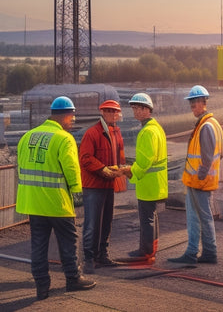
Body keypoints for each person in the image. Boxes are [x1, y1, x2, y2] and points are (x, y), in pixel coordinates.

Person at [16, 96, 96, 301]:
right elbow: (71, 169)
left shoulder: (27, 136)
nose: (73, 121)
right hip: (57, 203)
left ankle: (41, 286)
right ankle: (73, 279)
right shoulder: (63, 138)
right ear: (65, 116)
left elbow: (21, 167)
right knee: (68, 241)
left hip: (32, 203)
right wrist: (78, 196)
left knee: (38, 245)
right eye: (72, 117)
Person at [168, 85, 223, 265]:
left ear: (203, 102)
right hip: (197, 180)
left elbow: (207, 158)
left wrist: (200, 176)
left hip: (200, 181)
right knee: (197, 217)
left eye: (195, 102)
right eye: (191, 102)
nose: (192, 105)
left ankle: (205, 252)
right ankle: (197, 252)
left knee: (201, 217)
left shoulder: (206, 126)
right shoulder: (209, 124)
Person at [79, 99, 127, 274]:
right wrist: (102, 169)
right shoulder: (92, 133)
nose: (115, 115)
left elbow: (119, 157)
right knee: (92, 223)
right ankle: (89, 259)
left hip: (108, 184)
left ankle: (102, 255)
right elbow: (85, 158)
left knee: (106, 221)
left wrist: (123, 169)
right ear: (103, 113)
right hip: (94, 186)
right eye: (111, 112)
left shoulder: (115, 132)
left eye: (116, 112)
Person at [120, 92, 168, 264]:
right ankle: (151, 250)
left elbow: (145, 161)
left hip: (148, 183)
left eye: (140, 108)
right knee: (151, 216)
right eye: (134, 108)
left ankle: (145, 252)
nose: (136, 112)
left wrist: (130, 171)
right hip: (156, 182)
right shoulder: (156, 128)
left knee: (146, 217)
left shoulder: (147, 132)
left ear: (148, 110)